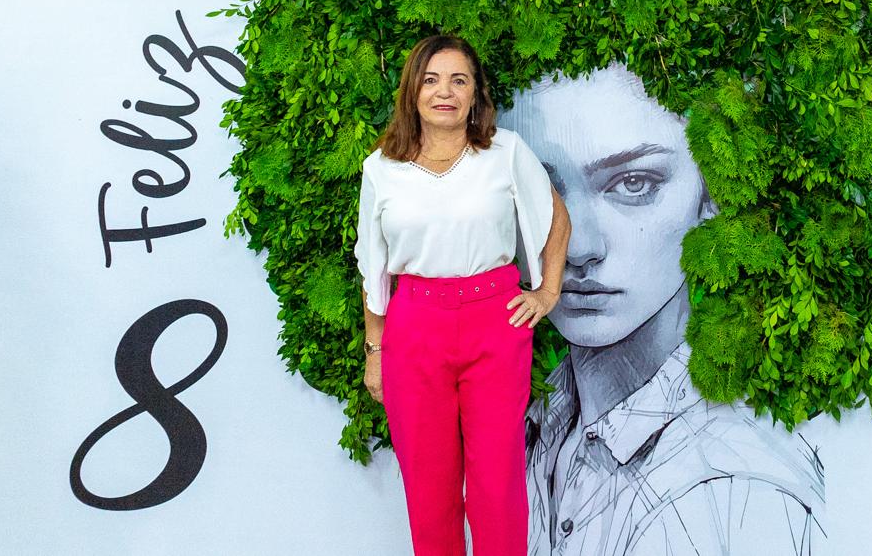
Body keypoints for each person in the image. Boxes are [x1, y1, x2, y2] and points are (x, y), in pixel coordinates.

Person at [498, 62, 825, 556]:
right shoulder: (538, 418)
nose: (579, 244)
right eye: (537, 193)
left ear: (710, 193)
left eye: (633, 184)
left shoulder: (733, 491)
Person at [353, 34, 572, 556]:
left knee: (497, 486)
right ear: (412, 93)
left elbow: (555, 218)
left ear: (475, 94)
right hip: (413, 328)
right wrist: (375, 352)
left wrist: (547, 291)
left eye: (459, 80)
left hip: (494, 324)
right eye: (431, 80)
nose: (444, 92)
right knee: (429, 490)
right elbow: (373, 266)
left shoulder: (505, 153)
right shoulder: (380, 169)